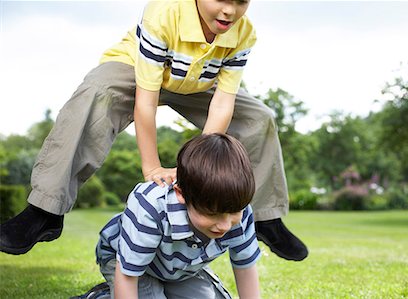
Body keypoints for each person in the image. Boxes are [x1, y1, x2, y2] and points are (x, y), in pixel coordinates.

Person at [0, 0, 308, 261]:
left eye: (241, 1)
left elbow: (222, 106)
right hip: (136, 70)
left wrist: (195, 173)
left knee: (261, 117)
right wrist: (152, 167)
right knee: (96, 93)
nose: (229, 11)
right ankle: (45, 210)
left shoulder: (243, 34)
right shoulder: (164, 13)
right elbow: (146, 103)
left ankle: (267, 218)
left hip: (198, 83)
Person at [72, 133, 261, 299]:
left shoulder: (238, 207)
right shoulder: (149, 207)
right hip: (129, 263)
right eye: (211, 214)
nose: (225, 225)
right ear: (181, 194)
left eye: (234, 213)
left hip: (178, 269)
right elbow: (128, 275)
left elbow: (245, 266)